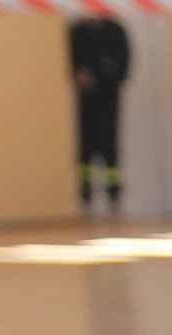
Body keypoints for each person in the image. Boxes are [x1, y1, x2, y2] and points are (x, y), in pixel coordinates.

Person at [68, 17, 131, 213]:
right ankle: (85, 194)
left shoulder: (115, 31)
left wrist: (105, 79)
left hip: (109, 96)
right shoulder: (78, 32)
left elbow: (124, 63)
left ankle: (114, 195)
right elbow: (68, 60)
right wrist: (78, 76)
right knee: (86, 146)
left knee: (109, 145)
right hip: (85, 98)